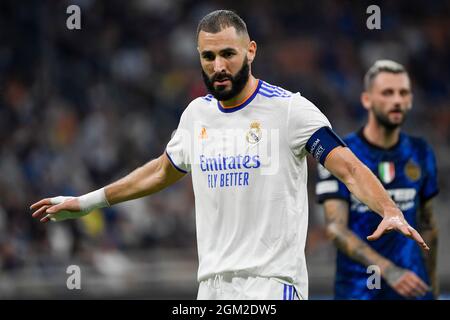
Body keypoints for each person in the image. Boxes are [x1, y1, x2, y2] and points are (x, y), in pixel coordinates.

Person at [30, 11, 429, 300]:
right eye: (208, 57)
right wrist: (86, 202)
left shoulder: (289, 110)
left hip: (273, 284)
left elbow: (349, 167)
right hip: (212, 287)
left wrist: (388, 209)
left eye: (228, 54)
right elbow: (160, 172)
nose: (218, 66)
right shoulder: (196, 115)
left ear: (250, 51)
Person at [316, 60, 439, 300]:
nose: (397, 100)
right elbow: (335, 228)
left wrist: (432, 289)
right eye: (387, 93)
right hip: (358, 292)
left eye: (403, 93)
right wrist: (389, 270)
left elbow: (427, 227)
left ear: (411, 100)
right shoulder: (341, 153)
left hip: (413, 291)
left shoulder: (421, 151)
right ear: (366, 100)